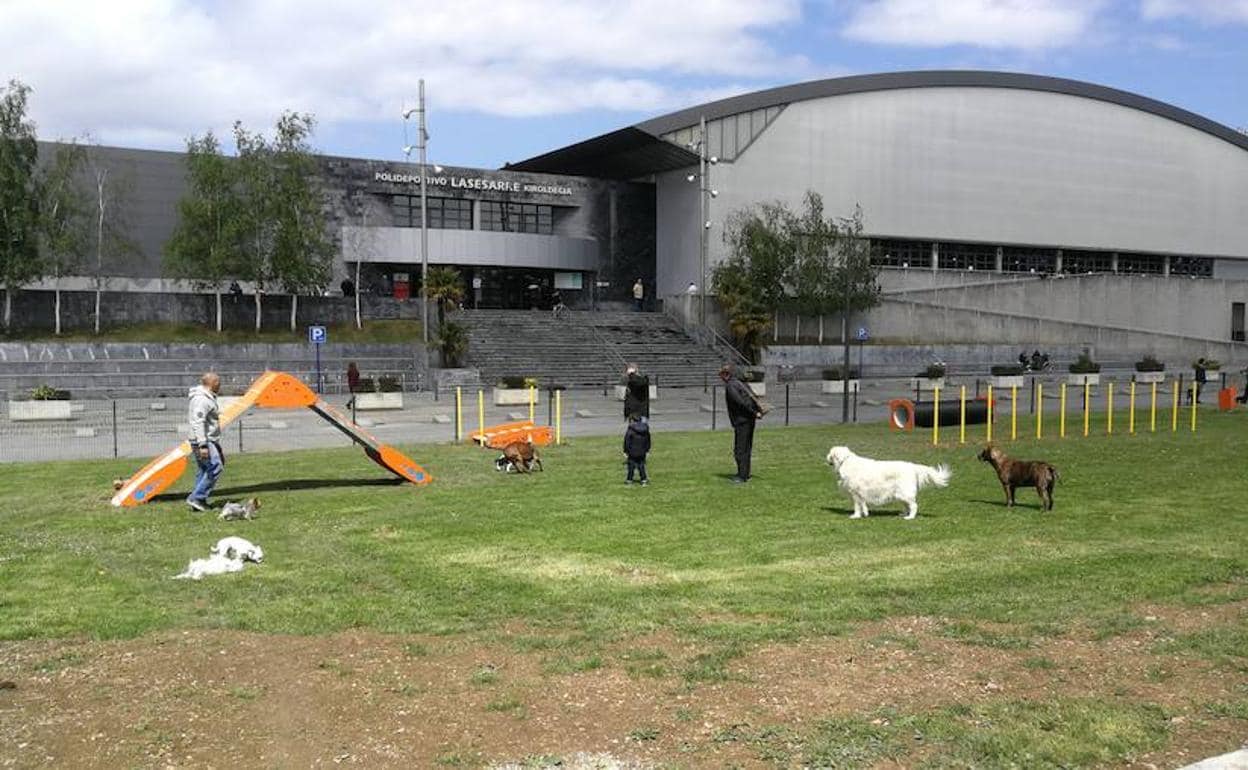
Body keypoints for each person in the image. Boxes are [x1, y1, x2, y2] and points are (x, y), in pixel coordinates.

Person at [186, 372, 224, 512]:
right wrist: (203, 445)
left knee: (204, 469)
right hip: (204, 440)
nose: (220, 384)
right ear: (212, 383)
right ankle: (196, 497)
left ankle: (198, 501)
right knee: (216, 467)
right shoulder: (202, 399)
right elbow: (198, 422)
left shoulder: (206, 397)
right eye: (218, 382)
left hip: (206, 439)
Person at [720, 363, 762, 483]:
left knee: (740, 449)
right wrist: (756, 413)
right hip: (749, 420)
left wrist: (754, 413)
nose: (720, 377)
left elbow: (740, 403)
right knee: (746, 448)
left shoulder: (731, 386)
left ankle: (741, 475)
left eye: (721, 374)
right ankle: (745, 473)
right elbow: (753, 398)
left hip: (742, 420)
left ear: (726, 374)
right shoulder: (741, 383)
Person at [623, 415, 651, 486]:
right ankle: (643, 479)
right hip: (642, 451)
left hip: (632, 451)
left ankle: (629, 480)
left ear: (632, 420)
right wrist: (647, 450)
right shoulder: (645, 429)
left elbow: (627, 441)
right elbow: (648, 440)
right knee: (641, 465)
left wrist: (625, 451)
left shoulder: (631, 429)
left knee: (631, 466)